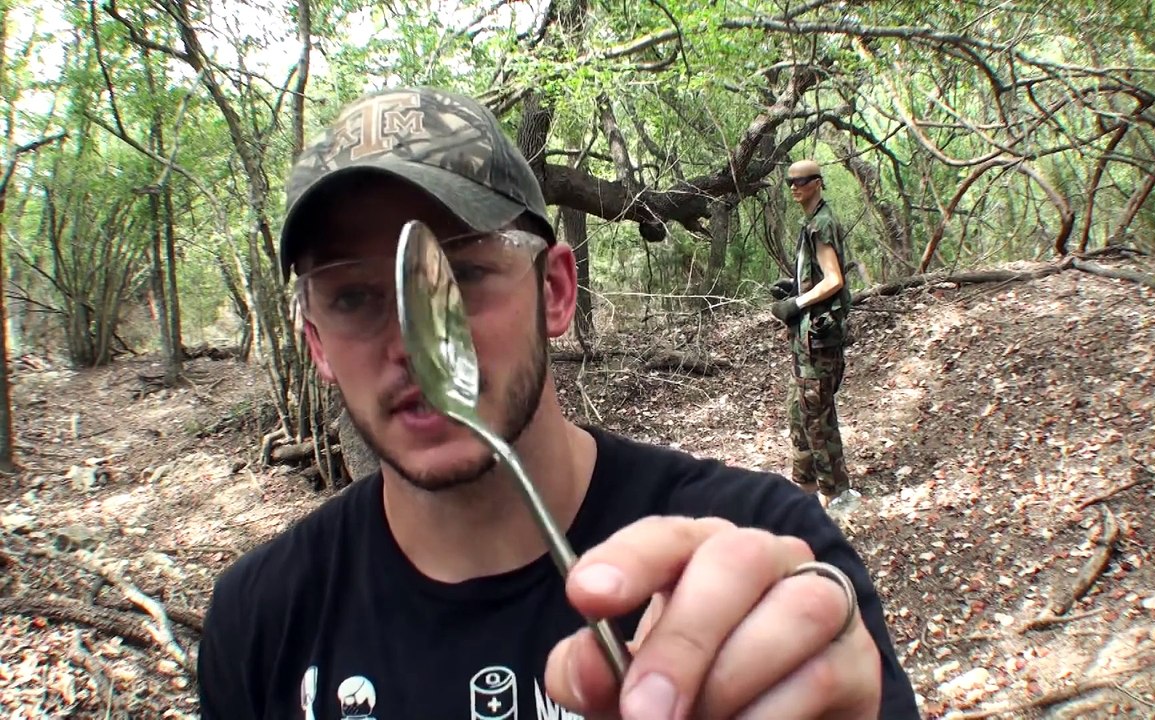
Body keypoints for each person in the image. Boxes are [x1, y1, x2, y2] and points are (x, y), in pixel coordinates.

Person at [197, 87, 920, 720]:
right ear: (316, 343)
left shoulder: (755, 546)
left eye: (462, 275)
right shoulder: (262, 623)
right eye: (354, 297)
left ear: (555, 292)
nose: (410, 348)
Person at [769, 160, 854, 511]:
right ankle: (802, 486)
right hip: (807, 341)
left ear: (817, 183)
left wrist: (797, 302)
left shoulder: (821, 223)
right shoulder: (812, 222)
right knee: (799, 412)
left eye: (801, 181)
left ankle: (836, 495)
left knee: (817, 417)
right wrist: (795, 285)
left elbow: (834, 279)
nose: (794, 187)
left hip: (819, 339)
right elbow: (821, 274)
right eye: (790, 181)